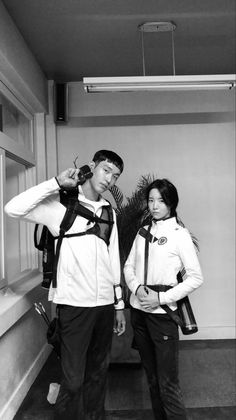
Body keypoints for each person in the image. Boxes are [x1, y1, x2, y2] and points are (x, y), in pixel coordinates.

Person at [5, 149, 126, 420]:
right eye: (106, 170)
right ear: (92, 166)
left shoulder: (109, 213)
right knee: (72, 381)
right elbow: (12, 208)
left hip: (105, 306)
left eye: (115, 176)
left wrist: (119, 305)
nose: (109, 179)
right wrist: (56, 183)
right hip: (74, 306)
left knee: (98, 374)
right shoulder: (61, 206)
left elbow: (113, 259)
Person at [124, 178, 203, 420]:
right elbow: (129, 266)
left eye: (161, 200)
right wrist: (137, 289)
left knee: (168, 382)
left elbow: (195, 277)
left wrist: (160, 298)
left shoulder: (180, 234)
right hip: (138, 313)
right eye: (151, 200)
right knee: (152, 378)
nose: (154, 205)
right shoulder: (143, 232)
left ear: (171, 203)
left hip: (162, 317)